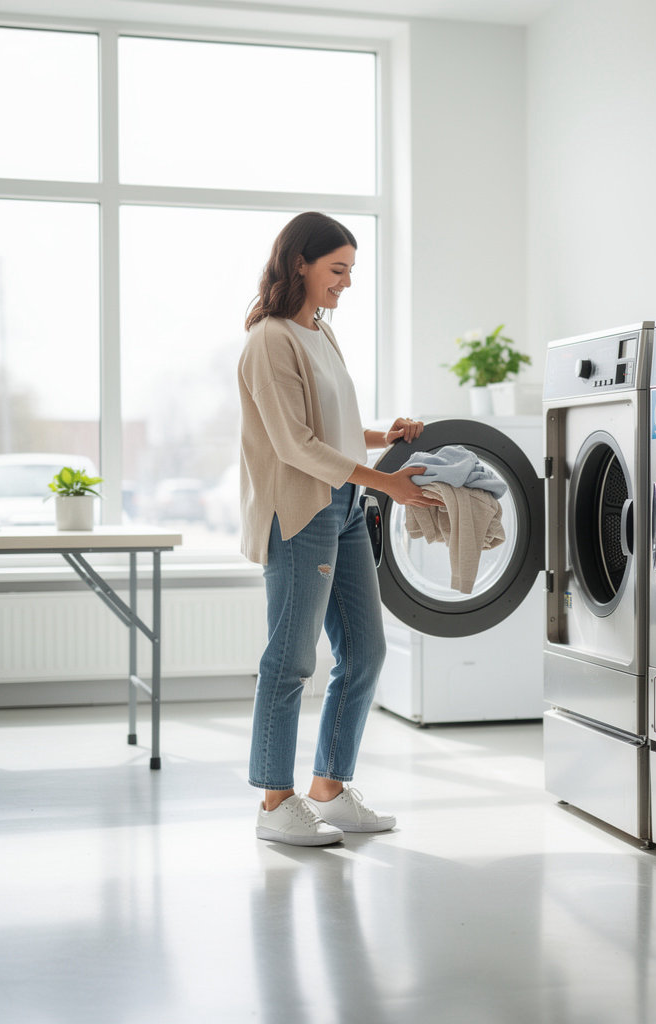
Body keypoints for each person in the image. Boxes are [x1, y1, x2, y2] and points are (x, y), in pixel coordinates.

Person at [238, 211, 442, 846]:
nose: (347, 282)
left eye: (351, 271)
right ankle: (276, 802)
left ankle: (327, 787)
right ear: (300, 263)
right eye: (337, 269)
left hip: (347, 507)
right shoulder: (270, 340)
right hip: (301, 511)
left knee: (365, 651)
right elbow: (295, 445)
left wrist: (390, 438)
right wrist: (387, 482)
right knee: (292, 657)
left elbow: (336, 430)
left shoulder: (321, 333)